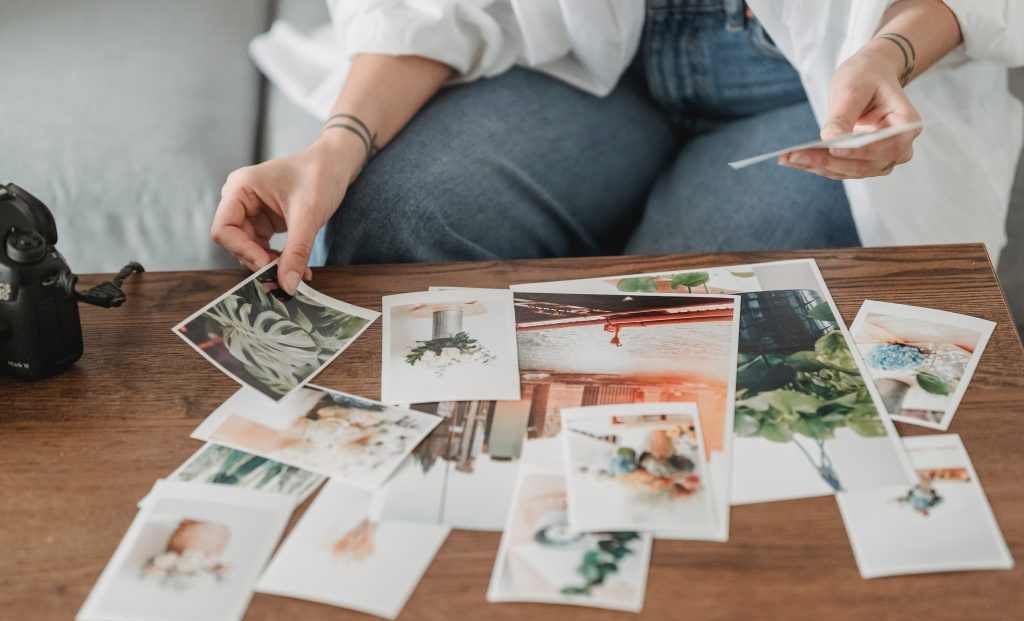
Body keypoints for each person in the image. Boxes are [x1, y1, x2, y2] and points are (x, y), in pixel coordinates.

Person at [211, 1, 1024, 295]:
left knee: (677, 316)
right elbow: (434, 8)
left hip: (809, 90)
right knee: (389, 220)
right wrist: (338, 143)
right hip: (596, 68)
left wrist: (890, 53)